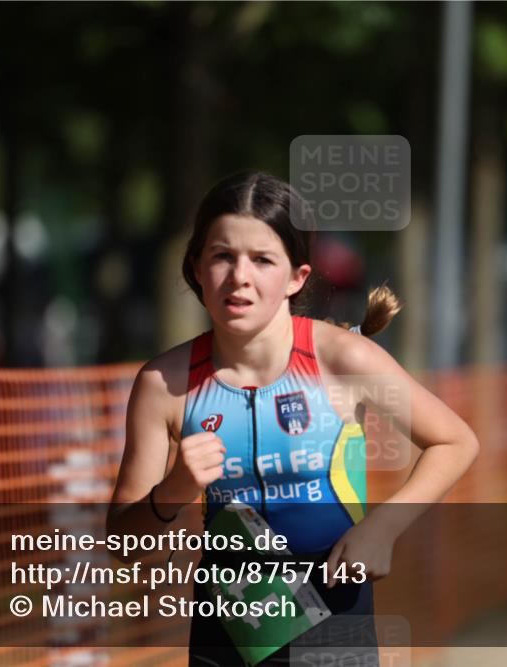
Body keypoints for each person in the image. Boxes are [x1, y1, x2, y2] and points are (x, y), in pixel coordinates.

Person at [107, 171, 479, 666]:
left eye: (262, 260)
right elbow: (121, 546)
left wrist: (383, 526)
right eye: (222, 256)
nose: (240, 276)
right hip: (227, 633)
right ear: (196, 267)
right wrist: (174, 489)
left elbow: (455, 441)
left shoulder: (342, 359)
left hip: (334, 625)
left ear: (297, 277)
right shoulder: (163, 384)